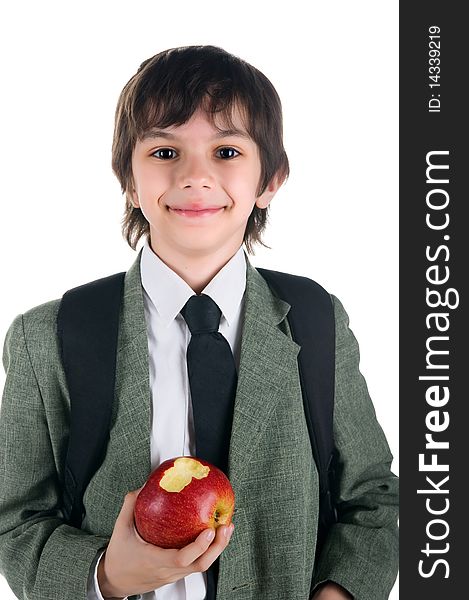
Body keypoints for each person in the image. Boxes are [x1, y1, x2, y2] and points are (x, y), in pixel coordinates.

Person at [0, 45, 398, 600]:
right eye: (164, 151)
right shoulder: (48, 338)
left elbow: (374, 496)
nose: (195, 176)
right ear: (130, 180)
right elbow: (16, 519)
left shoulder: (315, 320)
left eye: (227, 151)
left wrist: (338, 593)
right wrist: (106, 575)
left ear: (270, 180)